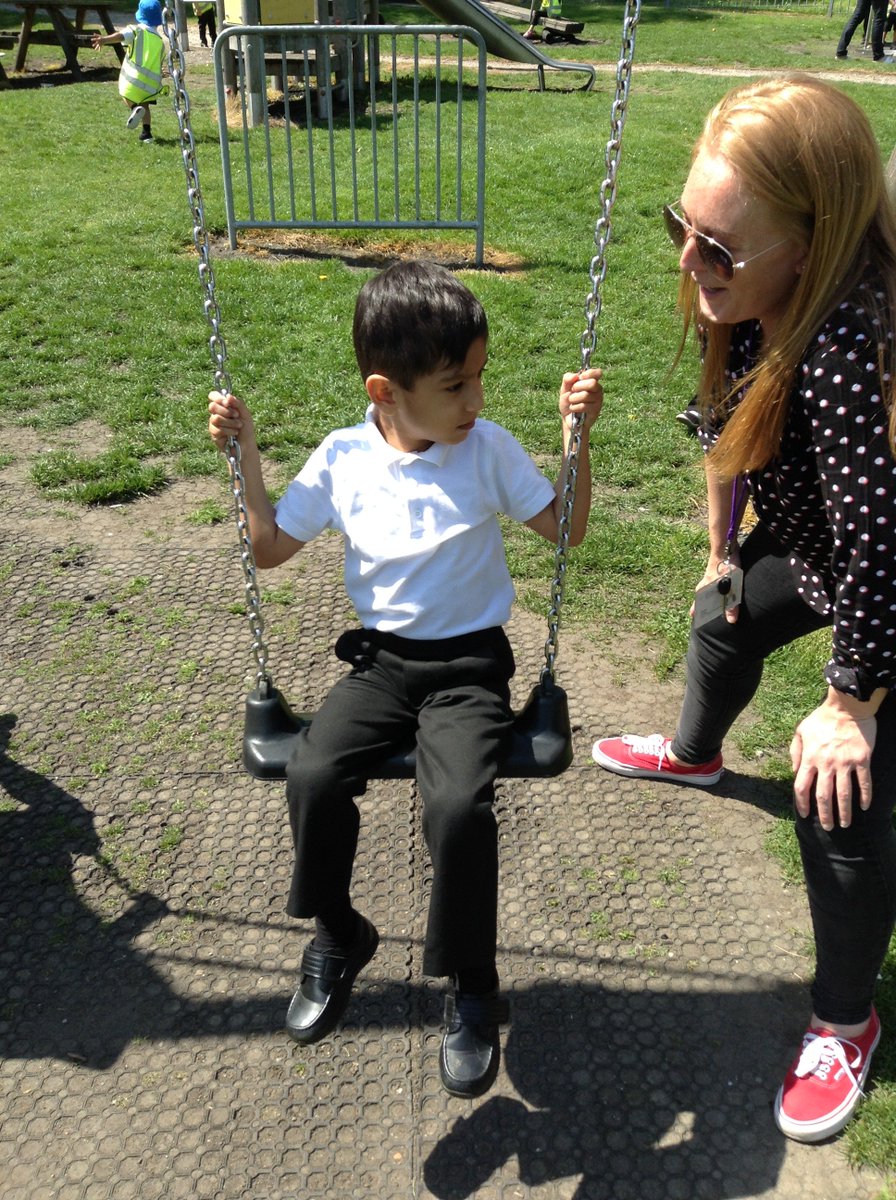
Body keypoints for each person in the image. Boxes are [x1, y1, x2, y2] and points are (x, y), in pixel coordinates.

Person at [208, 260, 603, 1098]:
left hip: (468, 669)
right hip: (382, 666)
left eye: (480, 378)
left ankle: (470, 982)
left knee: (458, 806)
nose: (477, 401)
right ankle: (341, 933)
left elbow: (564, 530)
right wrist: (245, 457)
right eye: (457, 385)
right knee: (311, 772)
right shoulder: (344, 458)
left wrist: (579, 438)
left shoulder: (486, 450)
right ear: (386, 390)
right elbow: (272, 549)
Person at [591, 74, 896, 1144]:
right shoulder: (753, 300)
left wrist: (848, 698)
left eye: (718, 248)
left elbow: (878, 544)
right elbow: (726, 429)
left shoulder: (850, 346)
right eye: (684, 227)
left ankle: (842, 1021)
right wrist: (722, 548)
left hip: (885, 587)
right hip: (815, 555)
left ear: (808, 248)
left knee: (836, 793)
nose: (689, 262)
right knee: (721, 618)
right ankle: (695, 752)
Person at [91, 0, 166, 145]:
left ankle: (134, 108)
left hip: (132, 79)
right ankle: (147, 133)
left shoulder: (136, 30)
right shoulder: (160, 41)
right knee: (145, 105)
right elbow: (159, 63)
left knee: (125, 94)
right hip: (150, 85)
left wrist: (104, 40)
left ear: (140, 16)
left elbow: (120, 36)